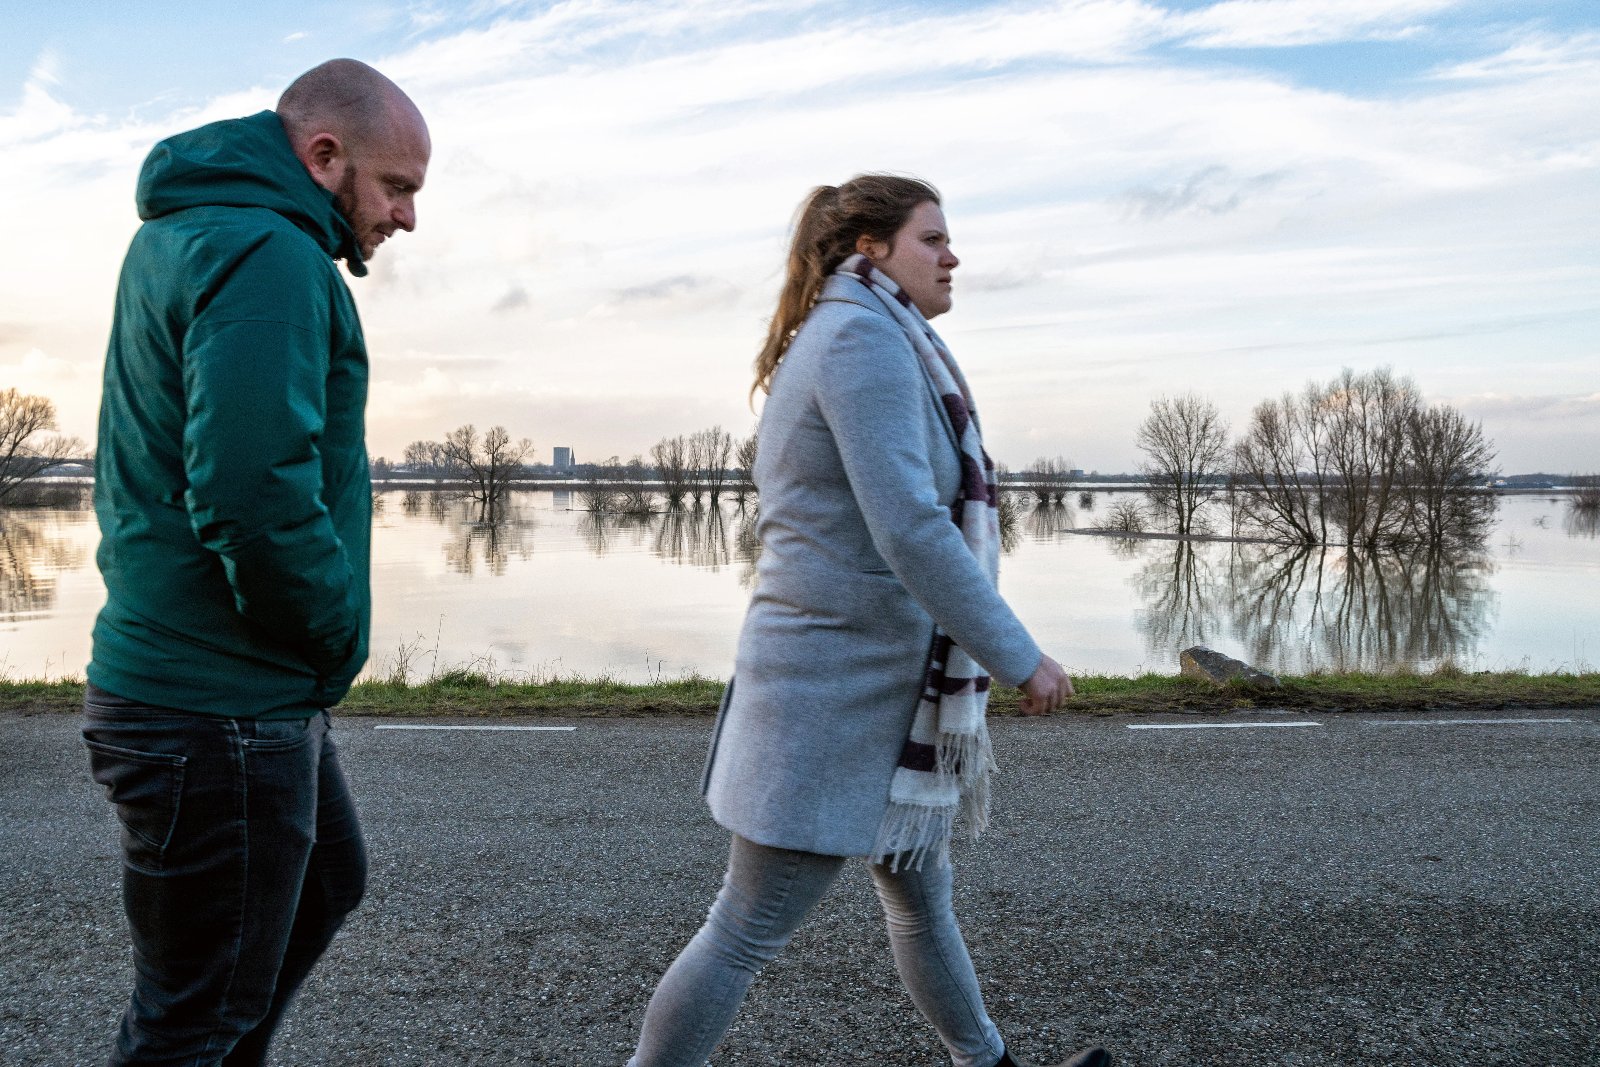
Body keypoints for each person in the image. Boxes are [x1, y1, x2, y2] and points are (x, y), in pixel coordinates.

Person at [627, 175, 1109, 1067]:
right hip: (833, 700)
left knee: (920, 899)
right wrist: (1017, 654)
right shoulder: (861, 341)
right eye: (933, 238)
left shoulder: (871, 335)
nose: (952, 254)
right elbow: (911, 528)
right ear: (870, 250)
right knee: (743, 927)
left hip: (872, 701)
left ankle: (987, 1063)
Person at [81, 59, 429, 1065]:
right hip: (217, 702)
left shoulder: (186, 234)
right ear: (324, 158)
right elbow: (249, 492)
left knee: (325, 883)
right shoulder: (269, 254)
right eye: (395, 186)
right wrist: (331, 633)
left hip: (217, 690)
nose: (406, 217)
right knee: (192, 1015)